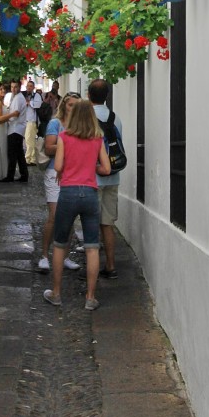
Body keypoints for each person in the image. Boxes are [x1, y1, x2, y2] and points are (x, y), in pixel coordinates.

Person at [44, 99, 110, 311]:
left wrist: (69, 170)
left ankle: (56, 293)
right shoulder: (97, 139)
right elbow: (106, 169)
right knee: (92, 247)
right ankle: (90, 297)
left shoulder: (64, 137)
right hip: (90, 193)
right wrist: (92, 167)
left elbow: (60, 165)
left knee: (60, 244)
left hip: (69, 193)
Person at [39, 92, 82, 273]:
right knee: (55, 216)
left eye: (77, 105)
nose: (73, 108)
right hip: (54, 173)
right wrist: (70, 144)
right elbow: (49, 148)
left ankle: (65, 256)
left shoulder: (80, 125)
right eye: (71, 104)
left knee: (70, 217)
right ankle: (44, 256)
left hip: (73, 173)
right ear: (64, 105)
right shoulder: (55, 124)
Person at [88, 78, 122, 279]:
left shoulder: (87, 117)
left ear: (89, 96)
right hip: (113, 177)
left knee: (91, 224)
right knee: (107, 224)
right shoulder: (116, 118)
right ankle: (110, 265)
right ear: (107, 96)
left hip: (93, 177)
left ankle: (91, 268)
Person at [2, 80, 28, 182]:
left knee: (13, 153)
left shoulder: (18, 98)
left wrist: (6, 118)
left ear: (19, 87)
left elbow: (16, 113)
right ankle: (23, 174)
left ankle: (11, 175)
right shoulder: (17, 97)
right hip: (17, 128)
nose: (13, 89)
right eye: (12, 87)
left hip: (15, 128)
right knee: (19, 153)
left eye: (15, 87)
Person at [24, 80, 43, 165]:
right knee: (30, 140)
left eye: (31, 86)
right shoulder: (24, 95)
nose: (29, 87)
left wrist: (29, 102)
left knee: (28, 140)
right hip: (25, 120)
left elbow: (38, 105)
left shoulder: (36, 96)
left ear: (33, 87)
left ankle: (27, 159)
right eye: (28, 86)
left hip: (32, 121)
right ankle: (32, 159)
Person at [0, 82, 11, 179]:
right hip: (0, 129)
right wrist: (12, 115)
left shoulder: (1, 101)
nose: (3, 90)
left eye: (3, 88)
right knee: (1, 149)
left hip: (3, 129)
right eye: (0, 89)